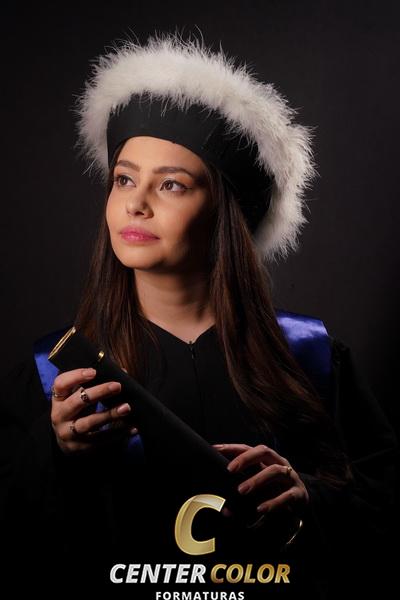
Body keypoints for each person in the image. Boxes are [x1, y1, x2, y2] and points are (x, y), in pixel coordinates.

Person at [0, 32, 396, 598]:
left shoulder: (309, 355)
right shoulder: (54, 374)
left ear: (224, 212)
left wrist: (308, 497)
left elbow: (381, 511)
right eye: (124, 178)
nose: (137, 203)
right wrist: (56, 452)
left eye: (171, 184)